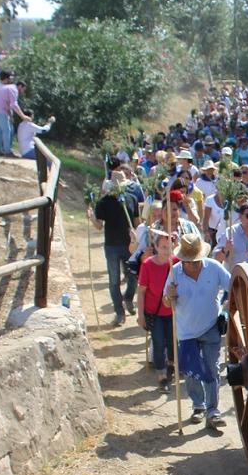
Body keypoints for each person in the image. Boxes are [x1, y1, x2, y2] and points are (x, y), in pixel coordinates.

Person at [163, 234, 232, 430]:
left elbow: (233, 286)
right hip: (186, 330)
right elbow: (166, 303)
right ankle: (198, 406)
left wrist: (227, 306)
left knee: (212, 368)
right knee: (191, 371)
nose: (193, 265)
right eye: (188, 261)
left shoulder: (214, 268)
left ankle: (213, 411)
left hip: (210, 326)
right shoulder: (174, 273)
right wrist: (170, 296)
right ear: (182, 259)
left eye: (195, 261)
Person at [88, 174, 139, 326]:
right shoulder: (103, 202)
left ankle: (128, 298)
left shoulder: (131, 199)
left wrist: (138, 234)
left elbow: (137, 221)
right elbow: (99, 226)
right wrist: (91, 217)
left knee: (133, 277)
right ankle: (119, 313)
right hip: (111, 246)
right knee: (114, 280)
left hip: (129, 244)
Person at [137, 231, 177, 390]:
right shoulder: (147, 265)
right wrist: (140, 315)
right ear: (156, 247)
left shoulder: (175, 264)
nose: (167, 250)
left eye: (169, 246)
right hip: (154, 312)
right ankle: (161, 375)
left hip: (173, 311)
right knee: (159, 343)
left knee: (173, 342)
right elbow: (141, 292)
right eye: (163, 247)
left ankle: (171, 366)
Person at [214, 200, 248, 270]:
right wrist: (225, 249)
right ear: (240, 217)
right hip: (234, 277)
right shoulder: (230, 232)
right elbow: (216, 258)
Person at [0, 71, 27, 157]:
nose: (23, 92)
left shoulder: (8, 87)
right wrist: (23, 116)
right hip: (0, 111)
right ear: (20, 86)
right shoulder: (13, 90)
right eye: (23, 89)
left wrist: (10, 115)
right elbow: (14, 105)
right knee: (7, 130)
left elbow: (8, 105)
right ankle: (7, 151)